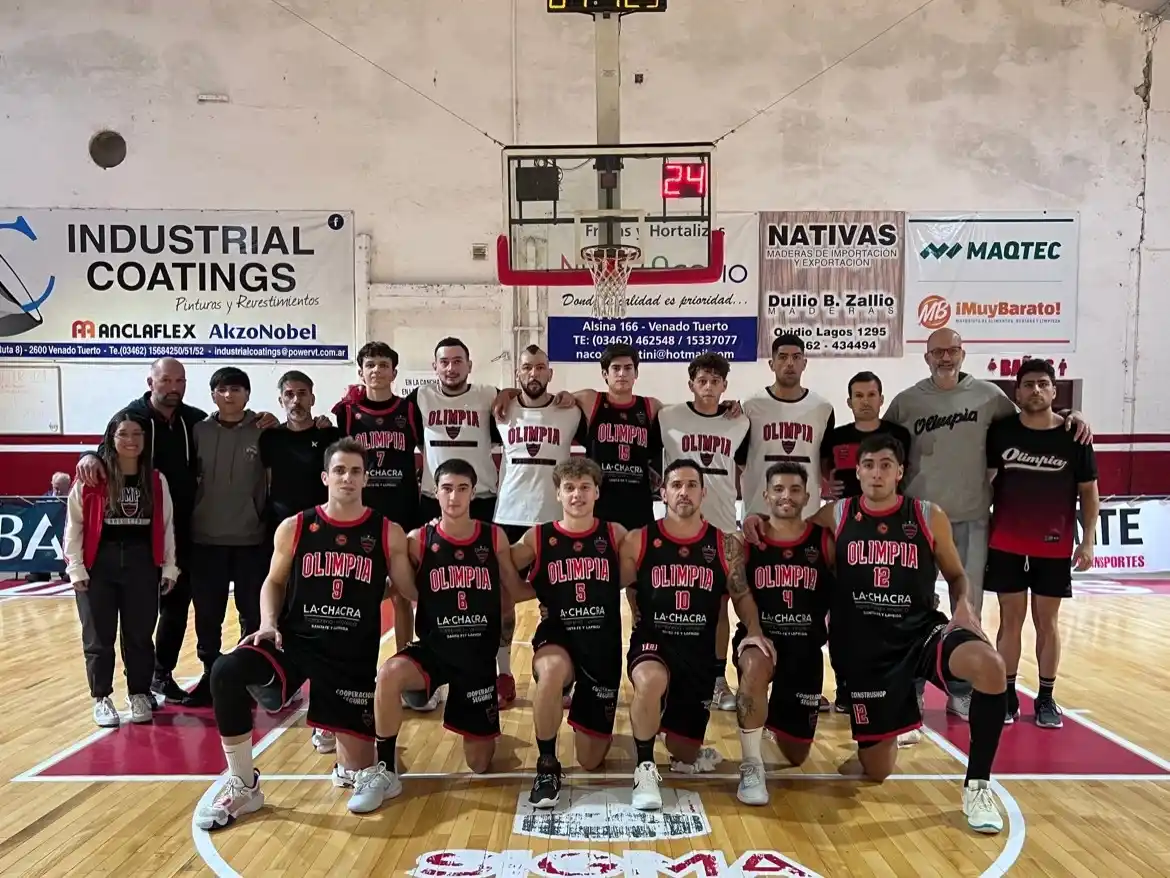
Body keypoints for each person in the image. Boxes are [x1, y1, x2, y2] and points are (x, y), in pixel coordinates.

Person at [194, 438, 415, 830]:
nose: (348, 478)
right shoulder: (296, 526)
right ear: (325, 476)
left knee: (355, 778)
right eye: (340, 471)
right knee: (225, 671)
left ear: (367, 478)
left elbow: (409, 591)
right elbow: (273, 582)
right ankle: (244, 784)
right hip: (296, 643)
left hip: (350, 658)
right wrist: (266, 623)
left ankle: (350, 748)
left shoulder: (387, 531)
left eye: (356, 471)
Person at [881, 328, 1090, 723]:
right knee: (912, 606)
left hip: (973, 518)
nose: (944, 357)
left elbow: (1034, 418)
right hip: (918, 521)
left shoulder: (989, 397)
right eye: (936, 352)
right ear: (926, 358)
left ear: (962, 354)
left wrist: (1071, 417)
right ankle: (911, 691)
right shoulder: (906, 402)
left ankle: (961, 691)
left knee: (968, 609)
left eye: (952, 350)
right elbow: (883, 446)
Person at [805, 433, 1009, 834]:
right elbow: (788, 533)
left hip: (920, 634)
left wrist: (964, 609)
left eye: (885, 465)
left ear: (900, 472)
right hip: (867, 653)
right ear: (857, 471)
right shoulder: (836, 514)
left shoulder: (927, 515)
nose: (876, 474)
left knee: (991, 668)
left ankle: (978, 785)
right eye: (868, 465)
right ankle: (886, 734)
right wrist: (757, 521)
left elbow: (955, 574)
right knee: (877, 772)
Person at [354, 459, 525, 812]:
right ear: (435, 492)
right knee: (388, 674)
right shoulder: (419, 540)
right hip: (434, 649)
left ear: (474, 492)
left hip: (477, 659)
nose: (454, 496)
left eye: (463, 488)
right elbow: (395, 588)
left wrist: (560, 591)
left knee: (479, 764)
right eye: (447, 488)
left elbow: (513, 590)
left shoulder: (493, 537)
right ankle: (385, 767)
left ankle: (489, 730)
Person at [619, 459, 775, 811]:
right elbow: (621, 583)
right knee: (649, 679)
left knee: (684, 752)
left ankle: (671, 729)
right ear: (664, 493)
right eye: (676, 485)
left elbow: (741, 594)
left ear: (704, 492)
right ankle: (644, 767)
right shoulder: (640, 539)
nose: (684, 492)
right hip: (654, 642)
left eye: (692, 485)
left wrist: (755, 631)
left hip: (698, 651)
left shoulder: (724, 544)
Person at [75, 358, 207, 705]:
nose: (174, 387)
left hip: (182, 530)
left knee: (175, 609)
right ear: (151, 381)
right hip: (137, 538)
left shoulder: (193, 419)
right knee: (116, 628)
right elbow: (107, 449)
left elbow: (227, 428)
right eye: (166, 380)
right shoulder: (132, 415)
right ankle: (110, 694)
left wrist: (261, 419)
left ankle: (160, 675)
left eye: (180, 380)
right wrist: (89, 454)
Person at [985, 358, 1099, 728]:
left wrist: (1089, 542)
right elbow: (984, 482)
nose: (1036, 390)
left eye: (1043, 384)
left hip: (1054, 544)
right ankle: (1007, 695)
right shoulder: (1001, 433)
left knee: (1046, 622)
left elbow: (1089, 492)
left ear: (1054, 390)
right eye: (1028, 384)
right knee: (1010, 620)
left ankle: (1046, 698)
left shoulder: (1074, 436)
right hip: (1006, 540)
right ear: (1017, 392)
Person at [509, 458, 625, 808]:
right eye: (570, 488)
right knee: (550, 673)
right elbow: (503, 573)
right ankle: (546, 764)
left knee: (591, 760)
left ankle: (582, 707)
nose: (578, 495)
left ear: (597, 492)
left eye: (585, 487)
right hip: (558, 635)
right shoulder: (538, 536)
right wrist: (536, 591)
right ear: (558, 493)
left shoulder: (615, 535)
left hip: (601, 645)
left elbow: (644, 574)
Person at [64, 411, 179, 727]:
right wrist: (76, 568)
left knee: (140, 636)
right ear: (111, 439)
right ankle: (102, 698)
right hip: (99, 565)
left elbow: (166, 526)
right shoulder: (91, 479)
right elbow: (73, 526)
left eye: (137, 434)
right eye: (123, 434)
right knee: (98, 637)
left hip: (142, 563)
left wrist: (169, 567)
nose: (131, 440)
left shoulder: (155, 479)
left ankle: (139, 693)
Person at [332, 342, 428, 708]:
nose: (376, 371)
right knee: (361, 601)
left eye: (383, 365)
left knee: (404, 597)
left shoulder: (409, 410)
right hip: (360, 519)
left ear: (394, 371)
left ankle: (406, 672)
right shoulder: (346, 412)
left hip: (402, 515)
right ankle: (358, 675)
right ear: (361, 372)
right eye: (370, 365)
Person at [734, 461, 833, 806]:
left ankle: (771, 717)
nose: (785, 496)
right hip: (763, 639)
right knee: (755, 665)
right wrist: (754, 630)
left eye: (794, 490)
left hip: (805, 649)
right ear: (765, 495)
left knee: (797, 756)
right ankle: (751, 763)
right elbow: (739, 591)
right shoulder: (748, 542)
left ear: (807, 496)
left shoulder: (823, 540)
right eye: (778, 489)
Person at [493, 344, 586, 711]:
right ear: (518, 374)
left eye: (541, 367)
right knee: (502, 598)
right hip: (510, 514)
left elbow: (596, 399)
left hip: (555, 518)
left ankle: (564, 675)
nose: (534, 374)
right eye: (527, 367)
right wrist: (504, 392)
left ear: (551, 374)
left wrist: (571, 394)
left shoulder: (571, 410)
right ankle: (503, 674)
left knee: (562, 598)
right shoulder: (501, 409)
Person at [657, 352, 750, 713]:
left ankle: (716, 680)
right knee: (671, 606)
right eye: (702, 380)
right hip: (676, 529)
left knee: (719, 608)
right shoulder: (667, 417)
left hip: (723, 527)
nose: (709, 386)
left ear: (725, 386)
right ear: (691, 383)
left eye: (716, 381)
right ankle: (669, 675)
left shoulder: (740, 422)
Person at [259, 369, 343, 753]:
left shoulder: (328, 436)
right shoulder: (269, 437)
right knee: (285, 618)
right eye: (289, 394)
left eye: (303, 393)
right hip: (281, 538)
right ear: (280, 400)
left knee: (325, 623)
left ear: (313, 397)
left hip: (323, 540)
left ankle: (326, 712)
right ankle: (284, 682)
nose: (296, 400)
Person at [818, 370, 912, 714]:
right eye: (859, 396)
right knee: (844, 615)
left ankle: (890, 685)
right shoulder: (837, 436)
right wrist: (826, 489)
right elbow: (823, 472)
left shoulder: (898, 435)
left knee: (887, 613)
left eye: (872, 395)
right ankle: (845, 686)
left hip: (891, 535)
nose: (866, 401)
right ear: (849, 402)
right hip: (847, 532)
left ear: (881, 398)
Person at [494, 343, 664, 532]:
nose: (622, 374)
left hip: (637, 504)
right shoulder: (590, 400)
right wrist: (506, 393)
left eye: (628, 368)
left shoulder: (651, 406)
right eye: (616, 368)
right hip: (598, 503)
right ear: (605, 374)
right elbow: (541, 396)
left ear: (636, 373)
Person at [184, 367, 270, 707]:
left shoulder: (264, 430)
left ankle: (248, 675)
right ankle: (211, 675)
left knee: (251, 612)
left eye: (236, 389)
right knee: (208, 614)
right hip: (205, 539)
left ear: (247, 394)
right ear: (212, 395)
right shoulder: (197, 431)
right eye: (221, 390)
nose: (229, 395)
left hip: (251, 538)